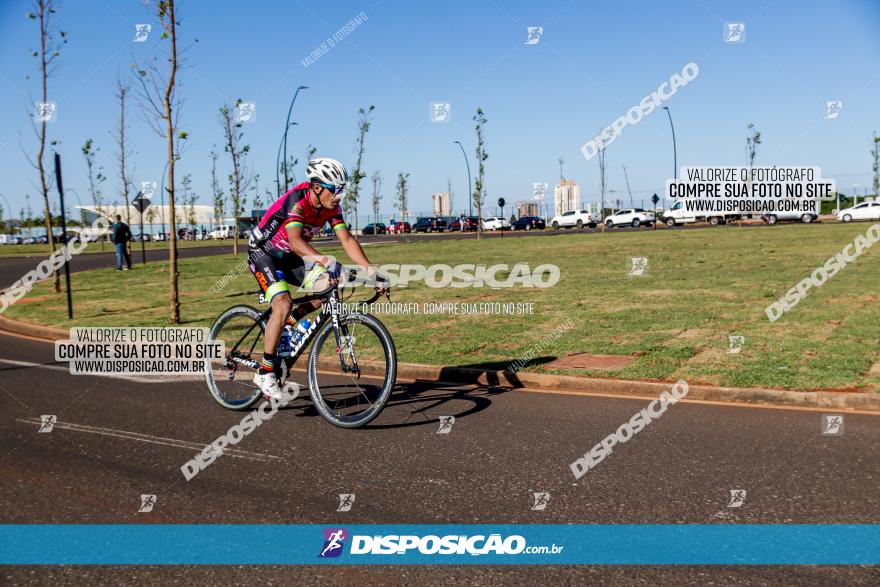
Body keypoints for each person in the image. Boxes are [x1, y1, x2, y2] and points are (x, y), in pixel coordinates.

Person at [247, 157, 388, 400]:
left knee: (330, 286)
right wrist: (324, 260)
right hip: (264, 253)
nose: (340, 196)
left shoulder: (332, 207)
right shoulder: (298, 201)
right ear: (317, 187)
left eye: (343, 190)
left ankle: (287, 324)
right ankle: (266, 370)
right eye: (336, 190)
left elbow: (347, 239)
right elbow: (295, 240)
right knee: (282, 302)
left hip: (292, 257)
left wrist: (372, 272)